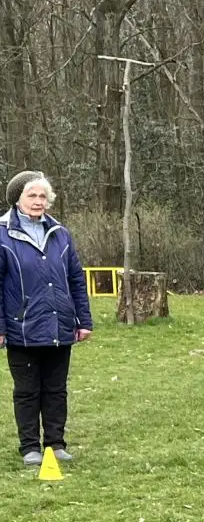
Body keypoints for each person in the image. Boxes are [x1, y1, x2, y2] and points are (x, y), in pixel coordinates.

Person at [0, 171, 93, 465]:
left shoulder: (60, 233)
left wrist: (84, 320)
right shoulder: (3, 233)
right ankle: (30, 448)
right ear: (18, 199)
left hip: (59, 325)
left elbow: (76, 279)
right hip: (21, 327)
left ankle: (55, 443)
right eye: (32, 195)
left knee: (56, 389)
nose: (38, 201)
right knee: (27, 391)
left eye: (43, 196)